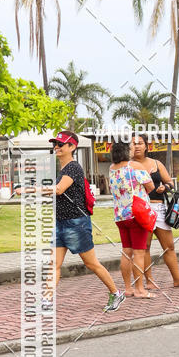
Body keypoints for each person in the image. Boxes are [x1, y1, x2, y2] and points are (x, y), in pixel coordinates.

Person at [44, 131, 124, 312]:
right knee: (54, 264)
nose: (56, 147)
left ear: (72, 147)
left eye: (60, 144)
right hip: (61, 223)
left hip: (76, 223)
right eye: (55, 144)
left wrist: (28, 190)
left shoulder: (73, 168)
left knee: (91, 263)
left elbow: (58, 190)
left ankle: (116, 292)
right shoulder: (64, 169)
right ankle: (46, 301)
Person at [130, 134, 179, 291]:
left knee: (169, 246)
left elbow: (169, 182)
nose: (137, 146)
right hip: (142, 210)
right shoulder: (128, 166)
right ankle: (149, 281)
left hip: (160, 209)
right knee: (145, 247)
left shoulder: (156, 163)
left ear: (146, 146)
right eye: (133, 143)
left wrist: (165, 187)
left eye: (140, 143)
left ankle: (177, 278)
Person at [108, 140, 156, 299]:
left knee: (126, 252)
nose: (133, 149)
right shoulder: (135, 166)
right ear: (126, 151)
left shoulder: (112, 169)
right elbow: (151, 187)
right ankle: (140, 289)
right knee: (139, 253)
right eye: (130, 148)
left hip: (120, 215)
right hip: (137, 214)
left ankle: (128, 288)